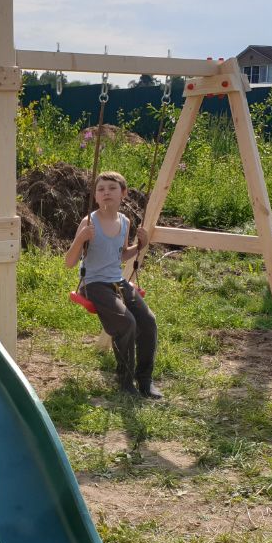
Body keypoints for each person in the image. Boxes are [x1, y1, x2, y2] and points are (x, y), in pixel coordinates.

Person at [65, 171, 161, 399]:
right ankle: (125, 381)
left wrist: (140, 245)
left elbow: (120, 256)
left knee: (148, 321)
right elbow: (69, 262)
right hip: (93, 284)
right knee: (126, 323)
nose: (106, 192)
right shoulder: (89, 222)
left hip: (117, 281)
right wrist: (80, 238)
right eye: (101, 189)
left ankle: (145, 380)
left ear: (123, 194)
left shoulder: (125, 222)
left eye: (112, 188)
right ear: (95, 196)